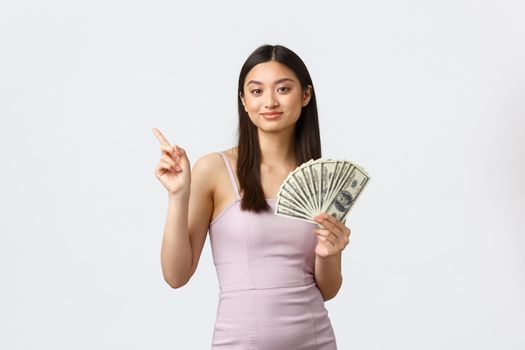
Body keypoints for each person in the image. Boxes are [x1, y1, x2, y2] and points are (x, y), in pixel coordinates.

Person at [153, 44, 352, 350]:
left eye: (283, 89)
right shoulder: (215, 170)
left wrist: (328, 253)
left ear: (305, 96)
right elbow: (175, 275)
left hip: (315, 340)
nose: (270, 101)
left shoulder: (322, 180)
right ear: (243, 101)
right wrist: (178, 196)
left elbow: (327, 289)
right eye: (257, 91)